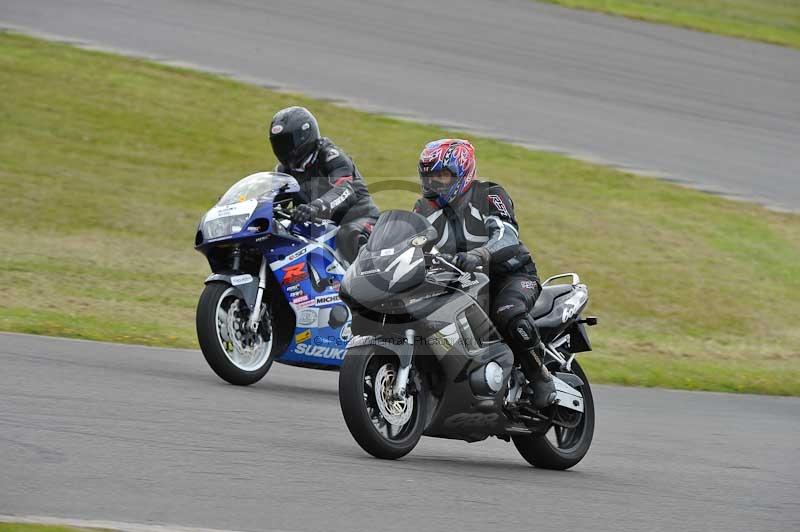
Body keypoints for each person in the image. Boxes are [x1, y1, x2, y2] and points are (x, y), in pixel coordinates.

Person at [412, 138, 556, 409]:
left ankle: (541, 378)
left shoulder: (489, 194)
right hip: (460, 278)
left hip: (511, 275)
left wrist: (478, 255)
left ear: (463, 172)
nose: (435, 182)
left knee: (508, 312)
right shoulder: (423, 208)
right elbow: (411, 242)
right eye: (429, 175)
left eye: (443, 175)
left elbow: (506, 235)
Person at [268, 106, 379, 262]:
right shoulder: (283, 171)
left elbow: (344, 189)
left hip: (359, 219)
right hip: (319, 226)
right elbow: (272, 198)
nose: (283, 149)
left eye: (287, 142)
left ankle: (363, 282)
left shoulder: (331, 156)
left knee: (348, 235)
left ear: (304, 136)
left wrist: (315, 207)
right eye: (279, 144)